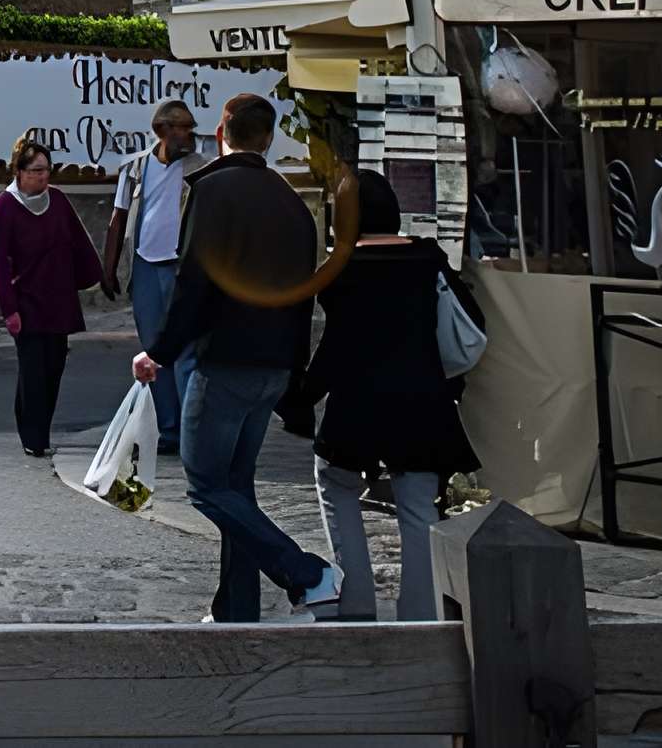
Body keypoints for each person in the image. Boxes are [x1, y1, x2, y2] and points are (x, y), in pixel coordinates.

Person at [133, 92, 341, 622]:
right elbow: (304, 295)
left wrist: (160, 351)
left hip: (226, 360)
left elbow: (194, 282)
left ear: (222, 131)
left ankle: (307, 573)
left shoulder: (211, 191)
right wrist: (294, 373)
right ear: (268, 139)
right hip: (274, 365)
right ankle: (236, 607)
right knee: (236, 490)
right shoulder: (293, 203)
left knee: (205, 487)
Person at [278, 169, 480, 621]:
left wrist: (300, 398)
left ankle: (356, 604)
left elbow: (335, 348)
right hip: (422, 403)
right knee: (419, 508)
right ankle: (421, 615)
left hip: (358, 406)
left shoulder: (340, 272)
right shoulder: (428, 260)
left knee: (336, 486)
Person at [0, 131, 105, 458]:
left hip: (58, 298)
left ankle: (42, 430)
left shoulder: (58, 201)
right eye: (36, 170)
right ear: (19, 172)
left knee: (53, 368)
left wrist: (96, 276)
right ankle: (33, 436)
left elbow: (79, 242)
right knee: (33, 372)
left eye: (46, 169)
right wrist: (8, 309)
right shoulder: (4, 207)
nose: (42, 176)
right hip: (27, 302)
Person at [104, 100, 205, 454]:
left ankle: (192, 433)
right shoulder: (135, 168)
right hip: (146, 266)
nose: (189, 135)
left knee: (186, 351)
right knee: (153, 351)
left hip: (182, 268)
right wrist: (109, 268)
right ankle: (169, 429)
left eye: (190, 128)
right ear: (161, 130)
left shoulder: (200, 169)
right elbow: (118, 218)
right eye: (181, 128)